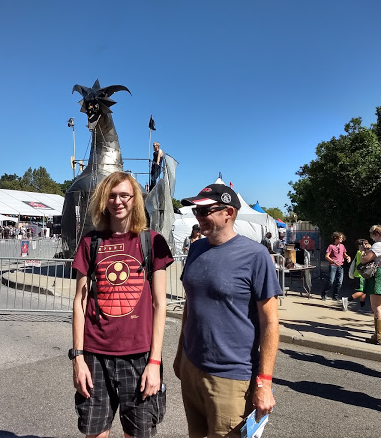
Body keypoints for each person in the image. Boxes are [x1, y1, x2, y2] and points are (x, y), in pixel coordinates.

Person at [71, 171, 174, 438]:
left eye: (124, 195)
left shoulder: (152, 242)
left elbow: (160, 305)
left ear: (135, 199)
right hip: (95, 355)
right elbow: (79, 302)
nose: (118, 201)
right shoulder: (90, 243)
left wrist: (154, 362)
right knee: (94, 432)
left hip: (139, 356)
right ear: (104, 201)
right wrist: (78, 358)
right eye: (112, 196)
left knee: (138, 433)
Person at [174, 183, 281, 437]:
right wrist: (181, 355)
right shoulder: (197, 249)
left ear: (228, 212)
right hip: (192, 367)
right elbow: (192, 304)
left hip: (231, 377)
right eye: (196, 212)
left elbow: (270, 322)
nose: (199, 218)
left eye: (206, 211)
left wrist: (264, 382)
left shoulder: (256, 256)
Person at [321, 232, 351, 301]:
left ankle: (335, 296)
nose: (341, 239)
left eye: (342, 238)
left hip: (340, 266)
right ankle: (324, 293)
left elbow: (344, 254)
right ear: (335, 238)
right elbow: (327, 256)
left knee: (339, 282)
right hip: (333, 266)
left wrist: (348, 257)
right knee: (331, 281)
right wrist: (333, 262)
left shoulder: (342, 246)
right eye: (340, 238)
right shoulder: (331, 246)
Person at [342, 239, 370, 311]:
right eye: (365, 244)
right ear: (360, 246)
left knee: (364, 292)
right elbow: (365, 259)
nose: (366, 245)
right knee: (362, 292)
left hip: (363, 275)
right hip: (360, 275)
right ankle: (347, 299)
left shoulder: (361, 252)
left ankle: (362, 307)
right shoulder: (360, 252)